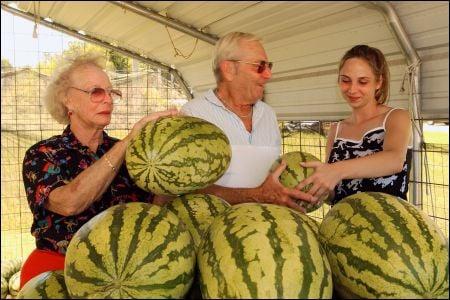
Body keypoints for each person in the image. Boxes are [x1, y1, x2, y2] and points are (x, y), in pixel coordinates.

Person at [20, 53, 178, 288]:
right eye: (96, 92)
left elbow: (153, 210)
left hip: (122, 276)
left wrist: (169, 163)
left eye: (111, 92)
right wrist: (128, 141)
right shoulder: (43, 153)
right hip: (57, 273)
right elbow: (69, 203)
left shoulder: (131, 153)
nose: (108, 100)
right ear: (68, 100)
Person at [178, 32, 316, 212]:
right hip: (216, 233)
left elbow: (272, 177)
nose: (268, 74)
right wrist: (254, 195)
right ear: (228, 69)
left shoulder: (268, 114)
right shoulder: (194, 115)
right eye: (260, 66)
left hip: (263, 229)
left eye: (269, 66)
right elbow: (186, 188)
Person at [298, 44, 412, 204]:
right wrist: (313, 188)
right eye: (345, 80)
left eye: (362, 82)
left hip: (386, 226)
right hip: (343, 226)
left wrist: (336, 170)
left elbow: (394, 160)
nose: (352, 89)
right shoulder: (336, 130)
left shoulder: (396, 117)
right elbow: (333, 195)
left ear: (378, 82)